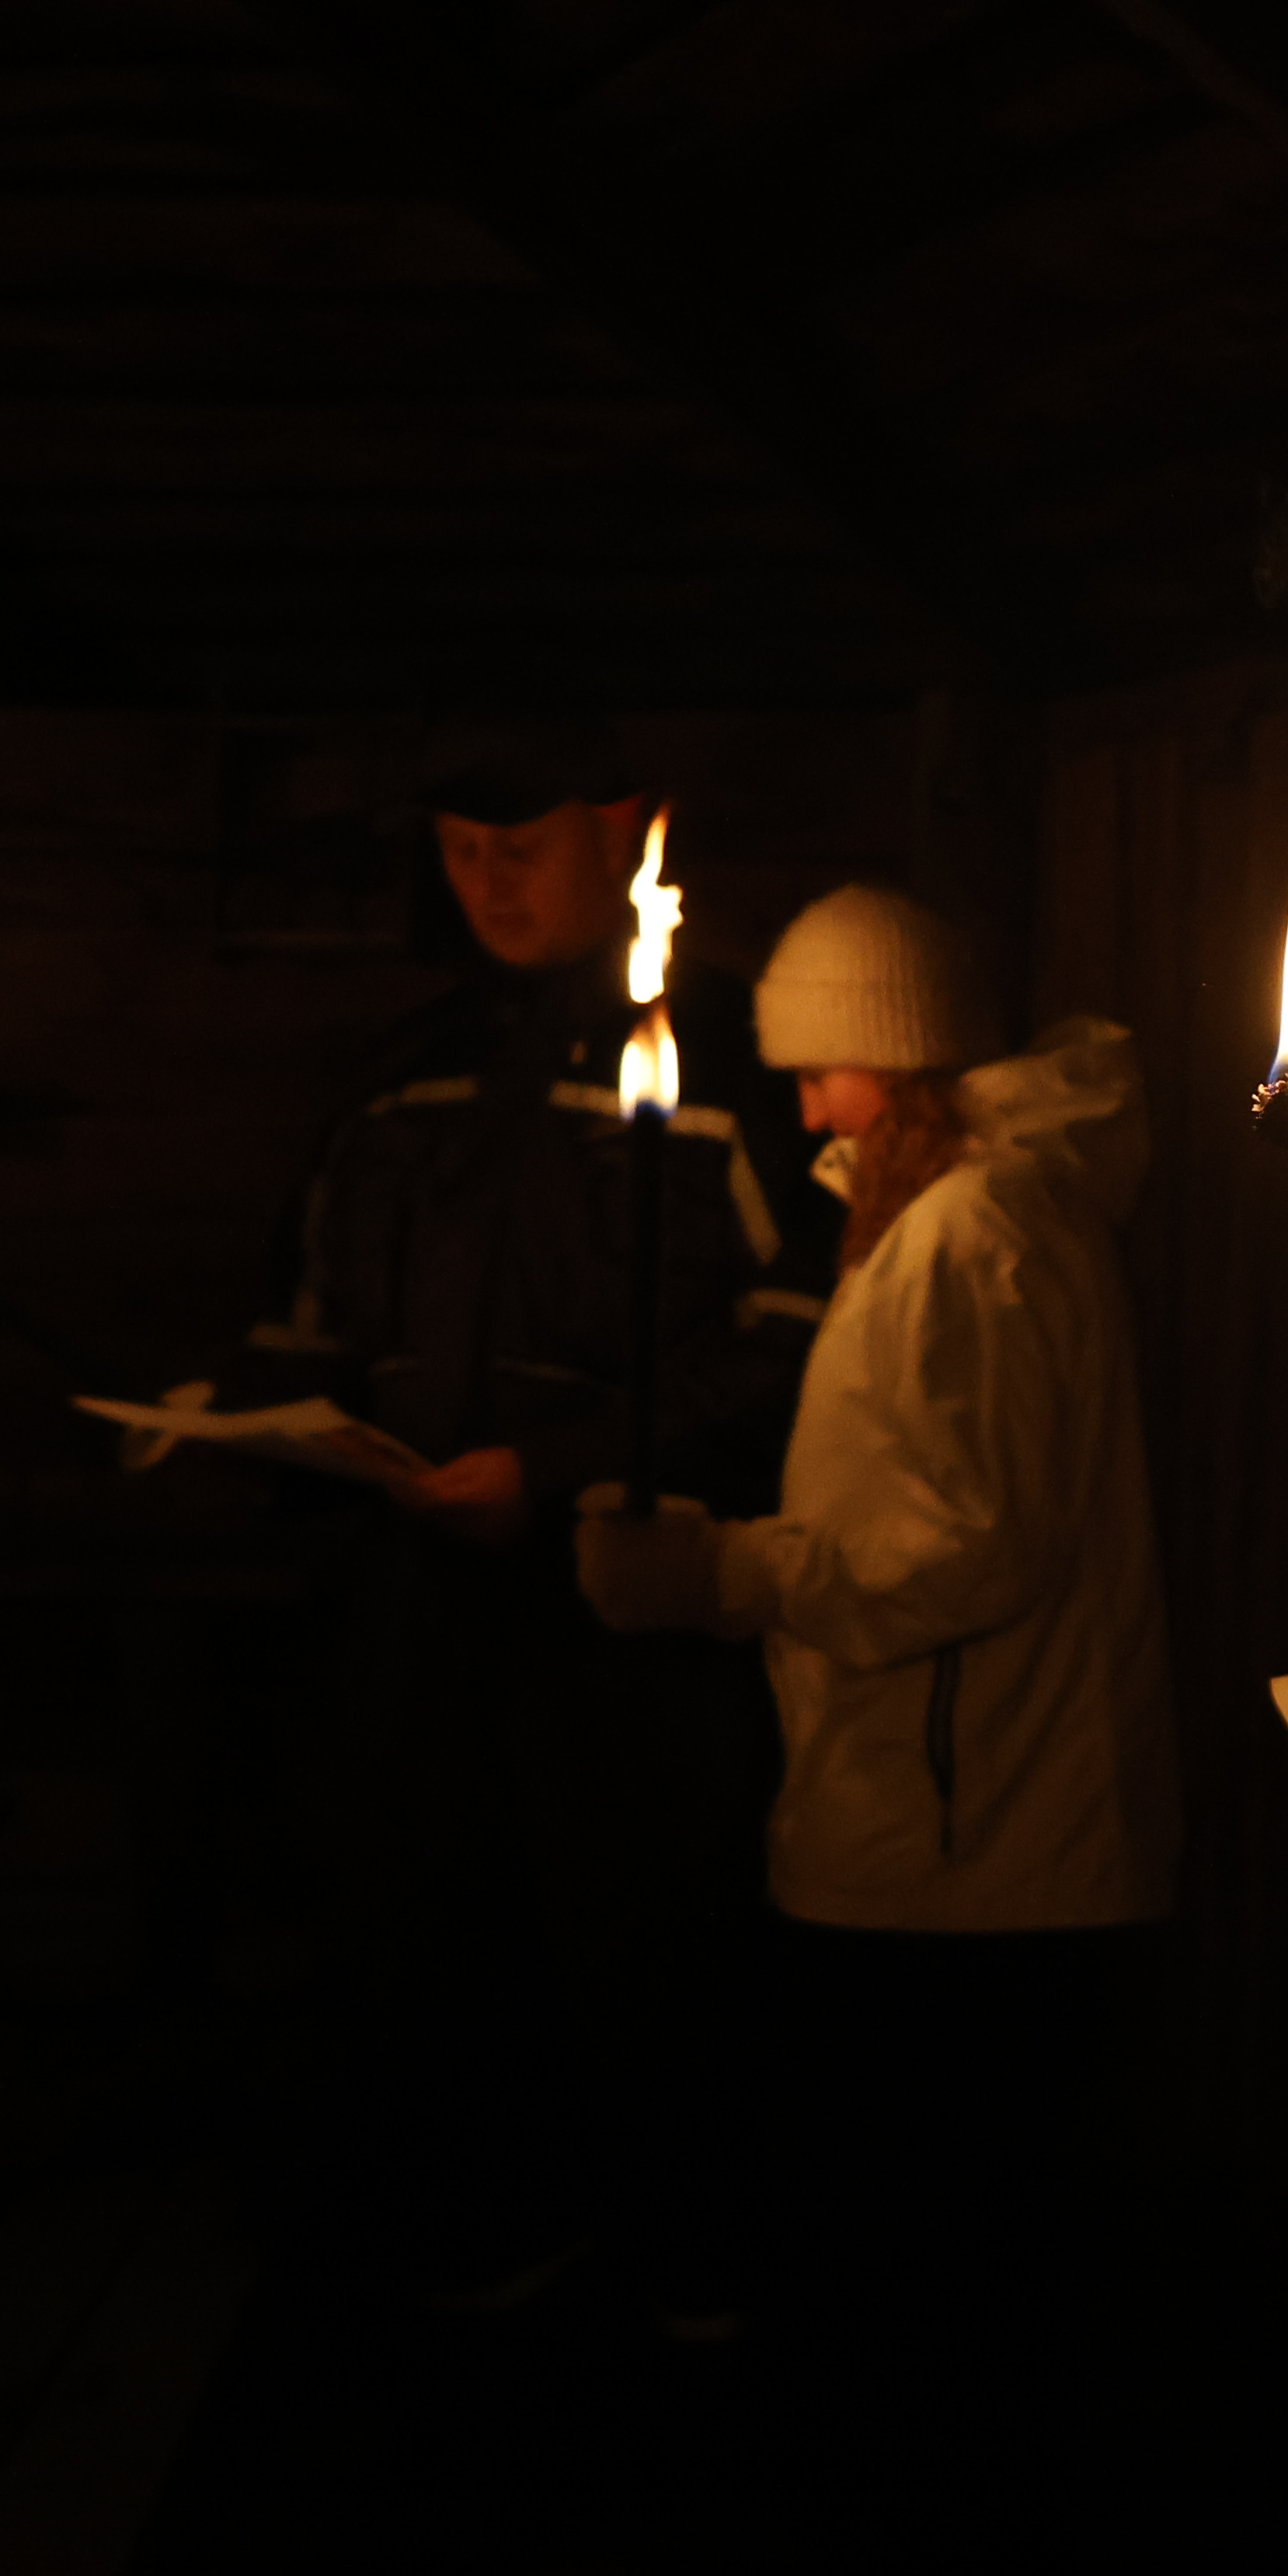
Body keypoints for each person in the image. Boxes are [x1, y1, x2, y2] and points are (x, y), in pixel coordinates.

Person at [573, 883, 1177, 2576]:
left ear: (909, 1062)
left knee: (960, 2298)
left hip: (979, 1854)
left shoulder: (983, 1236)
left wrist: (728, 1575)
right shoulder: (925, 1221)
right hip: (928, 1832)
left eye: (830, 1068)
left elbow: (977, 1543)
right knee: (929, 2283)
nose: (808, 1110)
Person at [175, 712, 827, 2309]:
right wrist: (247, 1419)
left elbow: (802, 1334)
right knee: (410, 1924)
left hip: (627, 1623)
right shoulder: (406, 1079)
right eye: (459, 849)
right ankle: (427, 2289)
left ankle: (658, 2297)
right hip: (411, 1612)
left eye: (520, 845)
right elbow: (315, 1307)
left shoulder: (731, 1066)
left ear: (627, 834)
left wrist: (550, 1468)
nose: (486, 880)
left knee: (630, 1946)